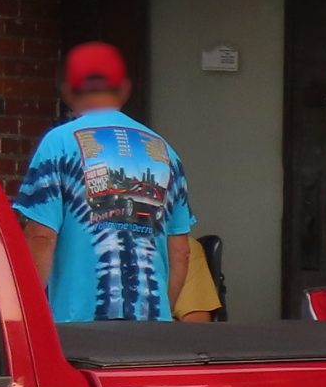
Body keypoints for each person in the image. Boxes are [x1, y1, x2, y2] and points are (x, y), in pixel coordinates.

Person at [14, 42, 193, 322]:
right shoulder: (164, 150)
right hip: (153, 330)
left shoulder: (59, 143)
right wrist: (161, 314)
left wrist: (27, 314)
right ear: (123, 89)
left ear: (68, 91)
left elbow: (41, 236)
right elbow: (181, 252)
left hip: (78, 326)